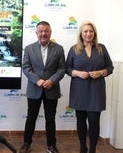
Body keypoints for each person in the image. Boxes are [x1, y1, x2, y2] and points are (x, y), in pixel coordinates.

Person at [65, 21, 113, 153]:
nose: (88, 34)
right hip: (79, 89)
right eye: (85, 31)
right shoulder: (74, 49)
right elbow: (67, 68)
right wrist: (78, 73)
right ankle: (82, 148)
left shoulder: (101, 48)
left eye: (91, 31)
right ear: (81, 33)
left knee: (93, 120)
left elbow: (110, 68)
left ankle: (92, 149)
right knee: (80, 121)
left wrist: (101, 72)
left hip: (96, 90)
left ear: (94, 33)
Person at [19, 21, 66, 153]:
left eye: (46, 31)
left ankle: (51, 145)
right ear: (36, 33)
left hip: (52, 89)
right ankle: (26, 144)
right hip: (35, 89)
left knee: (50, 119)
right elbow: (26, 67)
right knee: (31, 118)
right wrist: (37, 80)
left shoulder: (59, 49)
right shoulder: (29, 49)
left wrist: (52, 80)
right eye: (41, 31)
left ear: (50, 32)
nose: (43, 33)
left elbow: (62, 69)